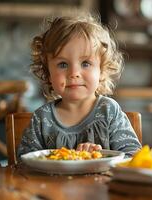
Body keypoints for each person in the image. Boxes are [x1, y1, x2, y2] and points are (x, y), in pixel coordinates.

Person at [17, 12, 142, 158]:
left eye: (85, 63)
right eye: (63, 64)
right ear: (48, 73)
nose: (74, 73)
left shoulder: (109, 112)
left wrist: (103, 155)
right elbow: (23, 163)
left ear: (101, 71)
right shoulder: (42, 119)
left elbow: (133, 156)